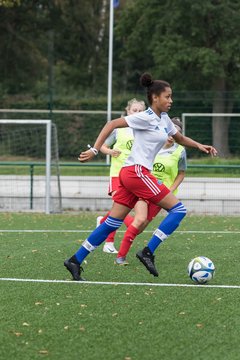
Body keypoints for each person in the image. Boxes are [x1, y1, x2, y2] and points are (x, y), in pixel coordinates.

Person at [64, 72, 217, 281]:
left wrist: (200, 145)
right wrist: (95, 150)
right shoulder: (144, 117)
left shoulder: (164, 120)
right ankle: (148, 251)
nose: (171, 100)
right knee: (178, 210)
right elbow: (111, 124)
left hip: (131, 174)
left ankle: (75, 260)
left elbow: (179, 138)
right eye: (168, 96)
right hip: (136, 172)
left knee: (112, 223)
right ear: (155, 97)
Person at [115, 117, 187, 265]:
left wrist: (171, 189)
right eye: (169, 132)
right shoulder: (153, 144)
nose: (171, 137)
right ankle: (120, 258)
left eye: (175, 134)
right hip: (143, 188)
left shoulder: (180, 151)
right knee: (140, 220)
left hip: (160, 194)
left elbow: (181, 173)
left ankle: (115, 219)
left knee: (139, 227)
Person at [98, 98, 146, 254]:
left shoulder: (145, 130)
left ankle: (103, 222)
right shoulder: (119, 129)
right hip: (117, 176)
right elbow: (102, 146)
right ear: (128, 111)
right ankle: (109, 243)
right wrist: (110, 151)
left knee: (119, 210)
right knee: (121, 210)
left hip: (134, 177)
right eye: (134, 110)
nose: (137, 113)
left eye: (140, 111)